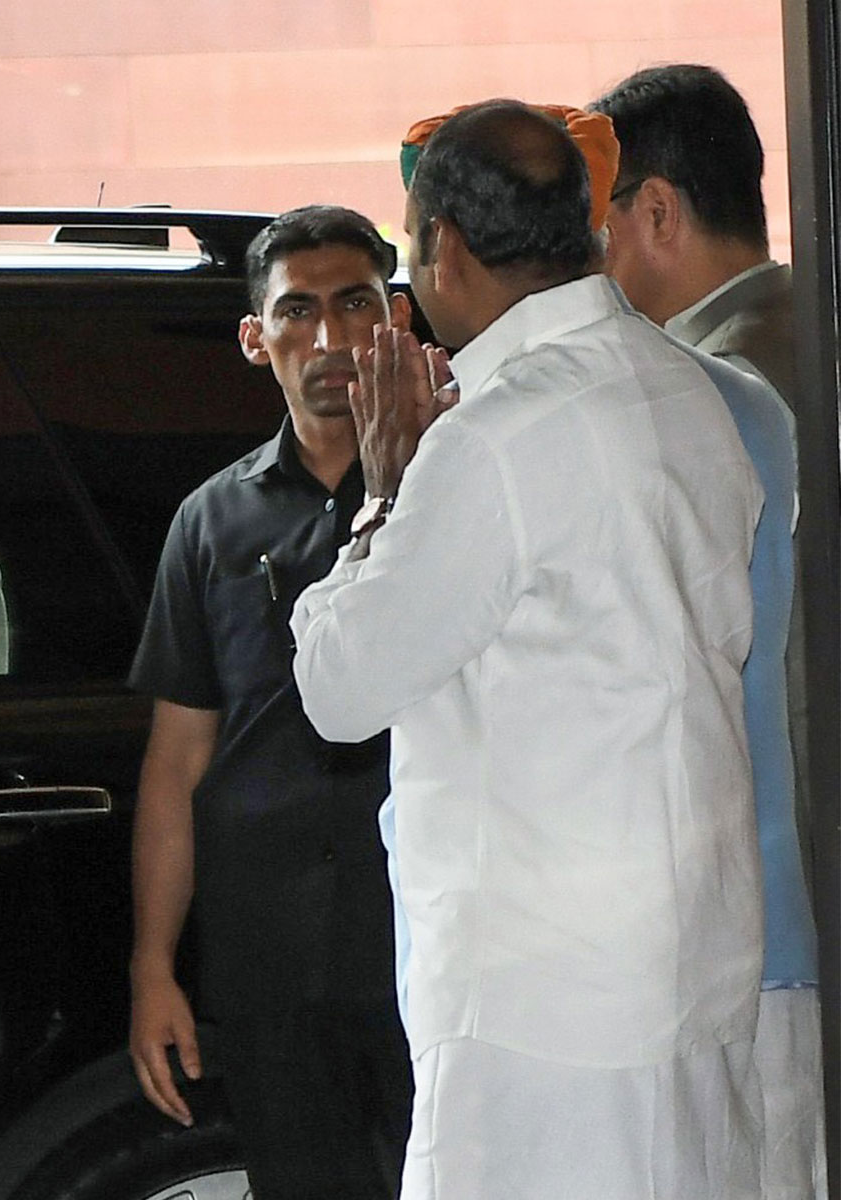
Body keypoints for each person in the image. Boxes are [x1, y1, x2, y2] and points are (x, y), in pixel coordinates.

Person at [291, 102, 766, 1198]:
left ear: (443, 244)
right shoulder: (684, 390)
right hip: (689, 960)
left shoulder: (498, 434)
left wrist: (379, 498)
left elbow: (337, 689)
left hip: (544, 997)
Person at [127, 205, 414, 1199]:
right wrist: (153, 967)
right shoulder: (210, 521)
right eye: (297, 312)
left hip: (432, 945)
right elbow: (176, 761)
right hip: (270, 964)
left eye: (354, 304)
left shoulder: (456, 489)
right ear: (256, 338)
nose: (329, 340)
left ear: (398, 314)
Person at [587, 70, 827, 1196]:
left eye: (597, 227)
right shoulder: (807, 338)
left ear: (656, 212)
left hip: (776, 919)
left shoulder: (714, 394)